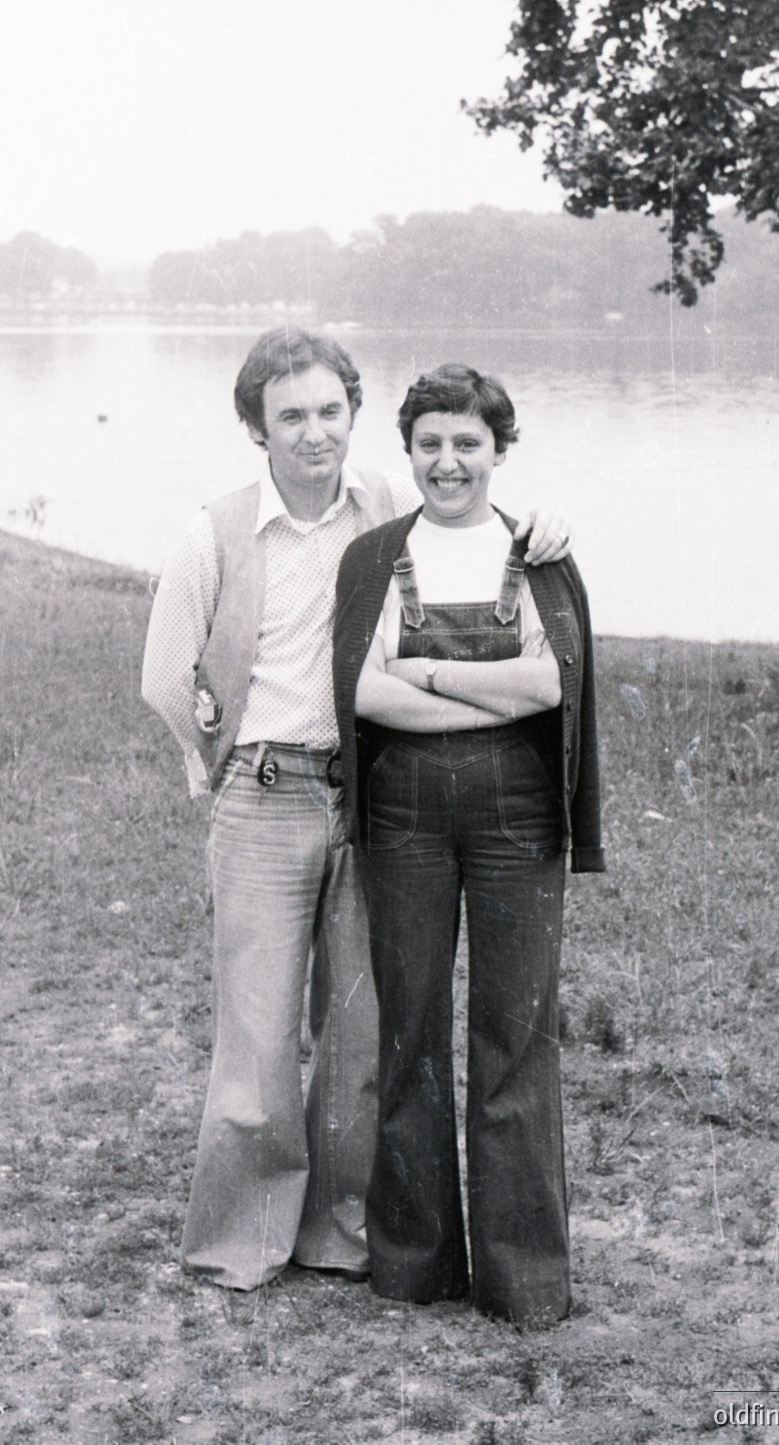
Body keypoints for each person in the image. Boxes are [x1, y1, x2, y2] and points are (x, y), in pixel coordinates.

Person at [141, 328, 574, 1292]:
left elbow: (470, 507)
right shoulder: (215, 532)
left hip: (367, 798)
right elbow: (166, 675)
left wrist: (544, 523)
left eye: (329, 411)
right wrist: (213, 756)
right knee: (258, 1033)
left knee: (360, 1031)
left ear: (352, 413)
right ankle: (241, 1238)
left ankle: (341, 1230)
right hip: (263, 796)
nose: (313, 433)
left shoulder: (381, 504)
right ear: (257, 427)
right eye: (290, 415)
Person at [333, 363, 604, 1325]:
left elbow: (549, 686)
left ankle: (522, 1278)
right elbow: (361, 693)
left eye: (467, 442)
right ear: (407, 451)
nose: (447, 462)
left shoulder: (536, 555)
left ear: (498, 449)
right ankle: (413, 1263)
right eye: (429, 443)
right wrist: (487, 692)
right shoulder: (373, 557)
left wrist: (428, 674)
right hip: (403, 815)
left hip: (517, 817)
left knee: (515, 1035)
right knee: (408, 1028)